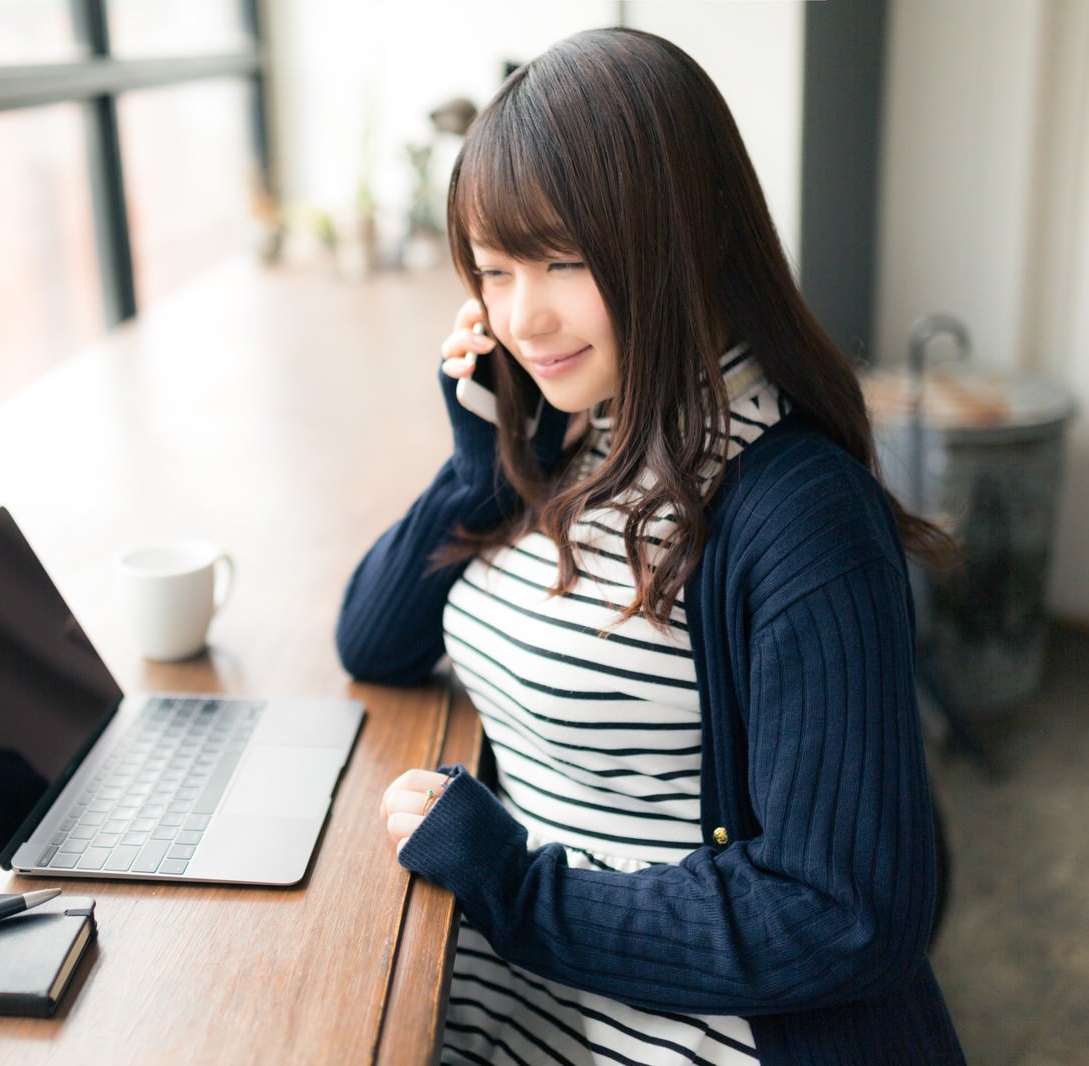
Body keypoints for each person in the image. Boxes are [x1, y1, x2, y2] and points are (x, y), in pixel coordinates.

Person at [336, 27, 966, 1066]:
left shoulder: (800, 514)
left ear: (685, 237)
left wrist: (517, 886)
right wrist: (483, 466)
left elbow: (845, 912)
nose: (524, 315)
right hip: (514, 997)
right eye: (492, 271)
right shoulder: (580, 425)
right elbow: (373, 640)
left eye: (565, 260)